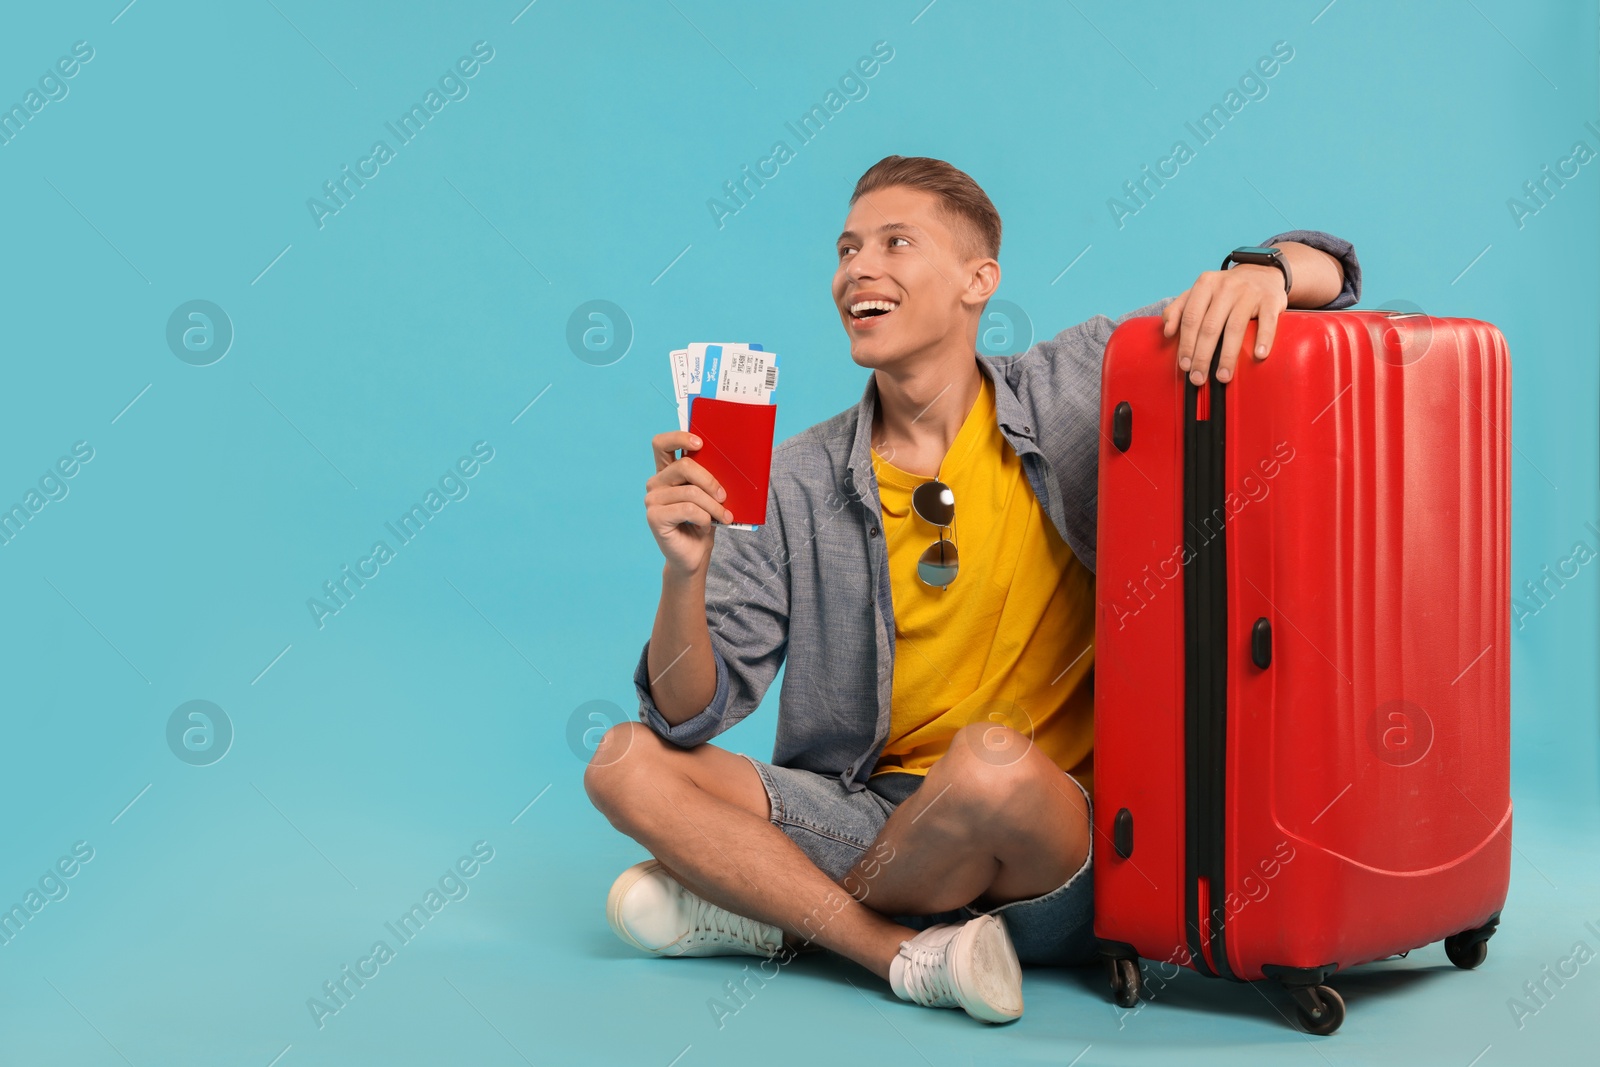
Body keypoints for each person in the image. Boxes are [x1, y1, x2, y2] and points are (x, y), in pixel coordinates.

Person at [585, 155, 1359, 1024]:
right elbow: (691, 715)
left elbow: (1332, 276)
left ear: (977, 280)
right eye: (846, 249)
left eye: (894, 242)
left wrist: (1263, 268)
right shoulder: (793, 476)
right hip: (867, 808)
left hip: (1050, 821)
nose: (856, 270)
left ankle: (774, 910)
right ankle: (896, 952)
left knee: (986, 764)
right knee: (622, 759)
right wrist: (683, 573)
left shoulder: (1084, 384)